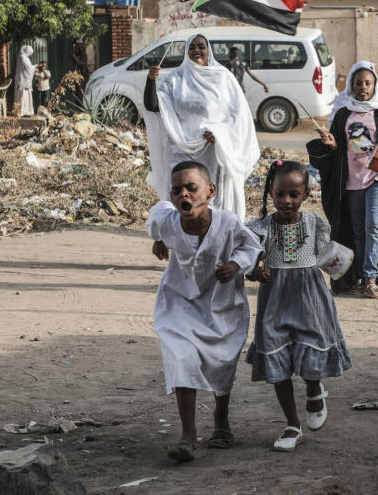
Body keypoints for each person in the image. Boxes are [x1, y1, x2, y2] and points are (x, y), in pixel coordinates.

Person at [147, 160, 263, 462]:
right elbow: (155, 217)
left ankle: (221, 419)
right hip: (179, 302)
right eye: (177, 191)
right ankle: (188, 435)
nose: (184, 195)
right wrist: (158, 239)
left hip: (221, 304)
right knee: (181, 357)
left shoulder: (227, 222)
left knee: (222, 362)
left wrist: (235, 265)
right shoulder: (169, 219)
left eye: (191, 188)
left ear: (209, 191)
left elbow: (251, 246)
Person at [245, 160, 352, 451]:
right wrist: (256, 271)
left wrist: (340, 263)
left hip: (310, 300)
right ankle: (292, 424)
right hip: (274, 302)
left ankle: (315, 390)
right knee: (278, 362)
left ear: (305, 194)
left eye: (294, 194)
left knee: (309, 353)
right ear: (272, 192)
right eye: (280, 194)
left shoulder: (315, 223)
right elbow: (249, 262)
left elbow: (328, 259)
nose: (286, 201)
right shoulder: (261, 228)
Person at [308, 61, 378, 297]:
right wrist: (333, 145)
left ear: (375, 86)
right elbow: (338, 147)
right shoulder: (343, 114)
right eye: (358, 83)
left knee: (374, 225)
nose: (363, 87)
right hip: (351, 183)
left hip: (376, 180)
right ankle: (362, 279)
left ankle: (371, 277)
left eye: (367, 83)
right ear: (351, 86)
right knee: (358, 232)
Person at [143, 33, 260, 220]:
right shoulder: (176, 79)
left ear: (208, 51)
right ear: (186, 52)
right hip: (180, 149)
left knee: (210, 200)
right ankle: (179, 237)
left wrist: (221, 135)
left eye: (201, 46)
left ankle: (213, 238)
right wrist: (151, 80)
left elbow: (238, 116)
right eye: (192, 47)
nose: (196, 50)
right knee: (180, 197)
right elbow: (153, 106)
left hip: (212, 152)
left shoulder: (223, 79)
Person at [13, 45, 35, 117]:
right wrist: (35, 66)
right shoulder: (23, 58)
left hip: (21, 80)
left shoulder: (22, 57)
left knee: (22, 96)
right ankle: (23, 112)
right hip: (23, 81)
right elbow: (29, 68)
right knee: (23, 96)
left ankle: (22, 111)